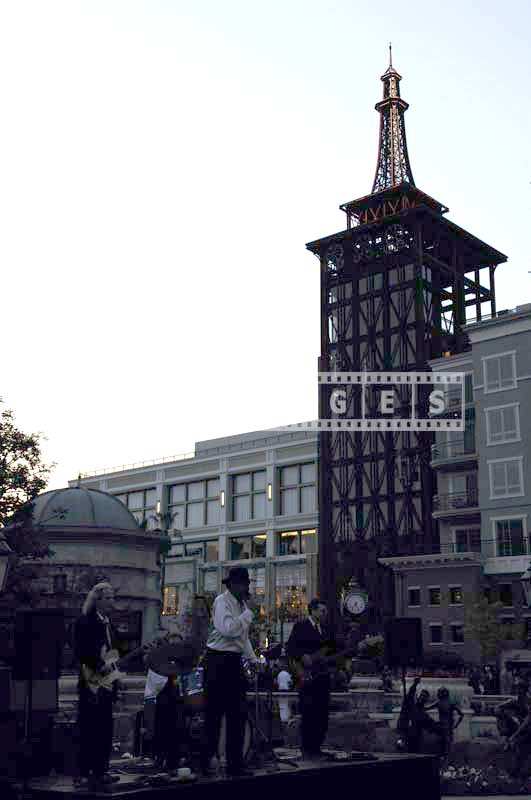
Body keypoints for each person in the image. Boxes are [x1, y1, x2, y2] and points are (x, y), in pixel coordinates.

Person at [201, 567, 260, 778]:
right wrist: (248, 614)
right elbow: (228, 629)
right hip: (217, 660)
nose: (247, 589)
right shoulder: (221, 602)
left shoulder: (242, 605)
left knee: (238, 713)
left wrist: (252, 659)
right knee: (214, 714)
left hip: (233, 660)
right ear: (235, 585)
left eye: (248, 585)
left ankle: (235, 763)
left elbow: (241, 638)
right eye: (245, 585)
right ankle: (208, 760)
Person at [73, 582, 121, 793]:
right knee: (88, 728)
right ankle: (84, 773)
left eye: (112, 597)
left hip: (107, 682)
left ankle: (101, 771)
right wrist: (99, 665)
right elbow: (81, 652)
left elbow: (112, 652)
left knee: (105, 728)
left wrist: (115, 672)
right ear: (98, 600)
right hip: (91, 682)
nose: (112, 601)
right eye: (108, 597)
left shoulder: (108, 623)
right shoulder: (85, 621)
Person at [286, 598, 335, 761]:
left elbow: (332, 650)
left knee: (322, 714)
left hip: (322, 677)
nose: (325, 613)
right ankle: (307, 749)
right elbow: (290, 648)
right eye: (322, 610)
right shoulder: (301, 626)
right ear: (312, 611)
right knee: (308, 714)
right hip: (307, 678)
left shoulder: (326, 629)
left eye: (325, 611)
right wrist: (302, 657)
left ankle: (317, 748)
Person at [429, 687, 463, 758]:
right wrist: (456, 725)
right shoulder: (444, 703)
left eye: (439, 693)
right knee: (445, 744)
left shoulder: (442, 703)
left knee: (446, 744)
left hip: (446, 726)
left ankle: (447, 758)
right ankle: (446, 757)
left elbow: (427, 708)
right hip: (445, 726)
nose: (438, 694)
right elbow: (461, 715)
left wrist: (456, 725)